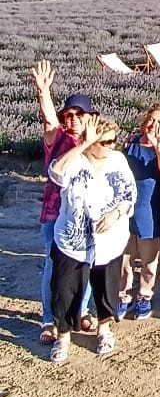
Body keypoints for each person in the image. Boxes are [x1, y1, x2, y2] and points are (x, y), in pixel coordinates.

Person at [46, 115, 137, 365]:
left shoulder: (117, 160)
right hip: (72, 243)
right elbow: (55, 172)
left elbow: (129, 193)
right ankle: (63, 337)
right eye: (105, 142)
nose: (111, 146)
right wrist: (84, 144)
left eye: (113, 141)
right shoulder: (75, 160)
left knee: (106, 290)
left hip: (109, 242)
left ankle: (104, 330)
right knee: (64, 291)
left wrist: (116, 212)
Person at [30, 61, 94, 344]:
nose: (72, 119)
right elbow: (47, 120)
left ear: (90, 117)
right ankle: (49, 320)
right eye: (67, 114)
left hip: (85, 216)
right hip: (55, 213)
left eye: (78, 114)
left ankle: (79, 311)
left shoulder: (99, 142)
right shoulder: (57, 139)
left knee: (85, 265)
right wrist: (43, 91)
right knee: (52, 267)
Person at [119, 104, 160, 319]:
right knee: (125, 257)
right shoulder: (130, 144)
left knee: (150, 259)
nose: (153, 125)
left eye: (159, 122)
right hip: (126, 209)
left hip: (149, 210)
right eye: (151, 119)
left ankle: (144, 295)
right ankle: (123, 295)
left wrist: (158, 146)